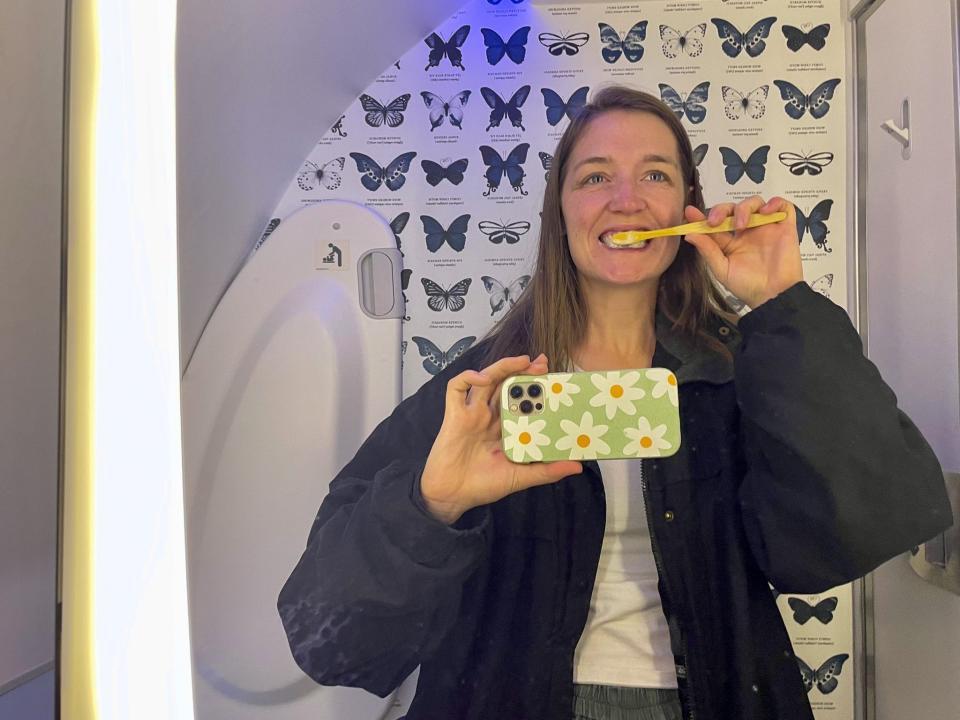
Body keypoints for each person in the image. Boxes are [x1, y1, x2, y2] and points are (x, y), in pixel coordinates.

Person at [277, 86, 951, 720]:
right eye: (595, 176)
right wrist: (433, 506)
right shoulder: (483, 393)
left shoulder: (739, 378)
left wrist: (779, 303)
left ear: (688, 206)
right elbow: (331, 638)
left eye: (655, 175)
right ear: (560, 211)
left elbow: (850, 534)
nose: (626, 198)